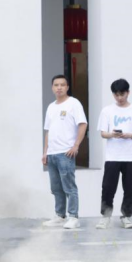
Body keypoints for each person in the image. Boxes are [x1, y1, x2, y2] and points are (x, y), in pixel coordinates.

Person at [42, 73, 87, 230]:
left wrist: (76, 145)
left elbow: (83, 124)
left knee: (69, 186)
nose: (59, 87)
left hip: (66, 153)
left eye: (62, 85)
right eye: (56, 85)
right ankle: (60, 215)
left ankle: (73, 216)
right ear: (52, 87)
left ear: (67, 87)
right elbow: (48, 130)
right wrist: (45, 152)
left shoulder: (73, 104)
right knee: (56, 188)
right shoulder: (51, 107)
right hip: (52, 153)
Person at [96, 78, 132, 229]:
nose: (120, 98)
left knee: (129, 188)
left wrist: (128, 135)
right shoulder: (107, 110)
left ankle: (126, 216)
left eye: (122, 94)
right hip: (112, 156)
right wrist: (113, 135)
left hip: (130, 156)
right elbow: (103, 133)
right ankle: (105, 216)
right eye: (116, 95)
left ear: (128, 93)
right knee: (108, 187)